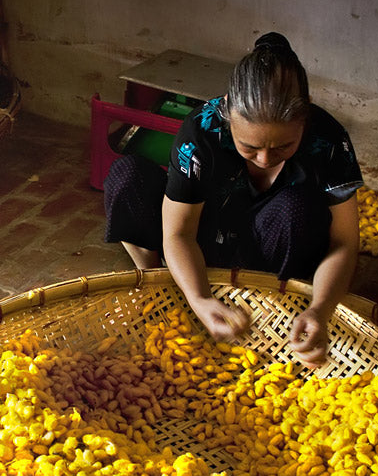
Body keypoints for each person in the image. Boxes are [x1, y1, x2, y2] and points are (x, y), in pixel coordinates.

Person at [103, 32, 363, 368]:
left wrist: (321, 309)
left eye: (283, 146)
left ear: (305, 117)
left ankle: (271, 303)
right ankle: (162, 287)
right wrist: (199, 298)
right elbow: (178, 232)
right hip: (206, 238)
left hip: (269, 251)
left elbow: (344, 242)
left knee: (297, 209)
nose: (265, 159)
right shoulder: (202, 130)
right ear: (228, 109)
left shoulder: (328, 141)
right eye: (249, 147)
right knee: (127, 177)